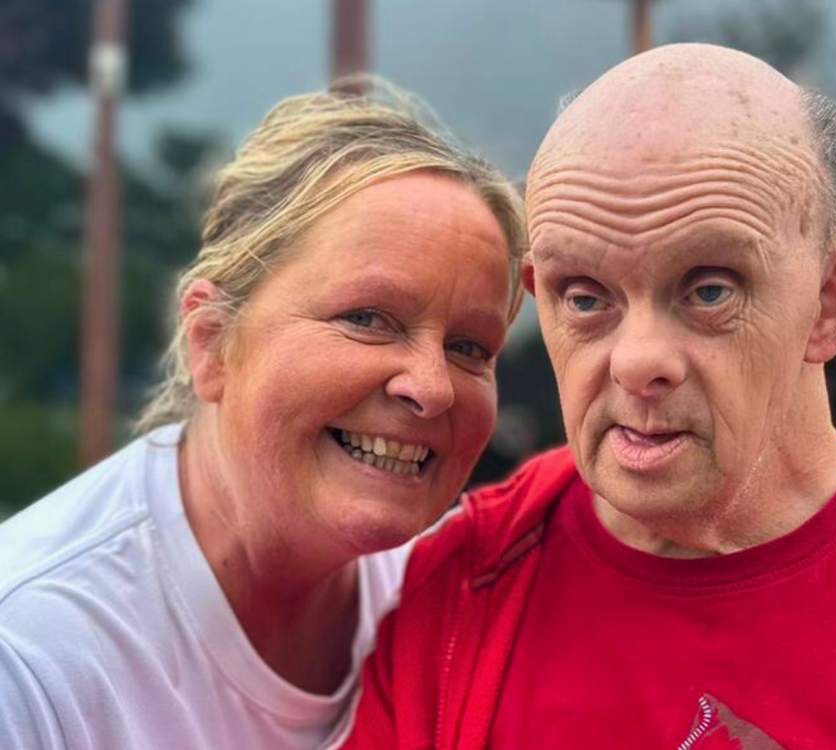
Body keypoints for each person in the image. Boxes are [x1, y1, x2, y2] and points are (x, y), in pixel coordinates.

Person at [343, 44, 836, 749]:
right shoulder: (448, 598)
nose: (637, 362)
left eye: (709, 290)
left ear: (831, 304)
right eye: (585, 297)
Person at [0, 81, 526, 750]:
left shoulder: (459, 601)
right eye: (367, 318)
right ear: (212, 342)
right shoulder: (28, 656)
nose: (432, 387)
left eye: (470, 348)